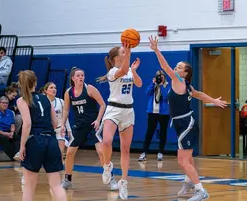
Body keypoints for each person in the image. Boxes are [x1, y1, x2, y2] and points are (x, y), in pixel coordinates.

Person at [149, 36, 227, 201]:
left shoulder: (178, 80)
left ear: (184, 73)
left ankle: (201, 190)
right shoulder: (187, 86)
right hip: (181, 123)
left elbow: (164, 66)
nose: (176, 68)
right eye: (177, 66)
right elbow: (198, 94)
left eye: (179, 67)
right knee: (188, 158)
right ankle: (189, 181)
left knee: (182, 161)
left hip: (186, 124)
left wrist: (156, 50)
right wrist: (213, 100)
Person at [60, 67, 118, 191]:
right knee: (69, 153)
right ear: (73, 78)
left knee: (102, 152)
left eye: (82, 75)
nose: (81, 77)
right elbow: (66, 109)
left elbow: (103, 104)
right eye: (78, 75)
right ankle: (67, 180)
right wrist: (62, 124)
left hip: (92, 126)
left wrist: (98, 120)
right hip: (79, 127)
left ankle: (111, 178)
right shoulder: (68, 92)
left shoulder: (90, 89)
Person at [98, 43, 142, 200]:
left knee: (125, 149)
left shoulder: (129, 70)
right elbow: (123, 70)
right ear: (117, 57)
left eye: (126, 51)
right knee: (107, 141)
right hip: (114, 109)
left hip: (128, 111)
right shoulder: (113, 71)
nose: (127, 52)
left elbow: (139, 84)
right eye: (124, 51)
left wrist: (134, 71)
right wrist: (129, 57)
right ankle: (107, 165)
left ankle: (124, 181)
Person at [17, 70, 67, 201]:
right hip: (51, 141)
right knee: (56, 185)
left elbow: (27, 124)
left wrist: (22, 146)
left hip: (35, 141)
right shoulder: (46, 98)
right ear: (35, 82)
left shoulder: (22, 100)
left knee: (29, 186)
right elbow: (55, 122)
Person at [138, 70, 171, 162]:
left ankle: (160, 152)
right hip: (152, 112)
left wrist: (161, 86)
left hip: (164, 113)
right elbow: (147, 93)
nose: (160, 78)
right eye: (158, 76)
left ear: (164, 77)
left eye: (161, 76)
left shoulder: (168, 86)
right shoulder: (153, 85)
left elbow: (165, 97)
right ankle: (144, 152)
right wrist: (153, 84)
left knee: (163, 133)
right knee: (149, 132)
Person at [43, 82, 73, 158]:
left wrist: (69, 131)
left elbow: (65, 118)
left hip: (59, 130)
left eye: (55, 88)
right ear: (46, 91)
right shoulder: (42, 102)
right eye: (51, 88)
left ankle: (58, 167)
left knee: (60, 152)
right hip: (47, 130)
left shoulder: (61, 101)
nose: (54, 89)